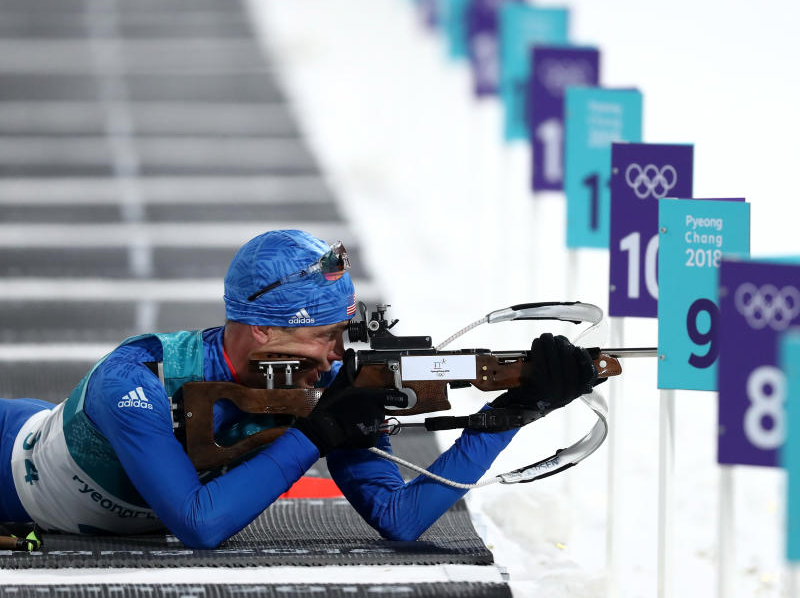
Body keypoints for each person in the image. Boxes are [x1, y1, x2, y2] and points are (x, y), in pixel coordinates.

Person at [0, 230, 599, 549]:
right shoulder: (134, 379)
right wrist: (315, 436)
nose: (339, 356)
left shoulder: (322, 380)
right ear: (263, 331)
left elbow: (399, 518)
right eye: (326, 337)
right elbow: (199, 525)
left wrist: (513, 413)